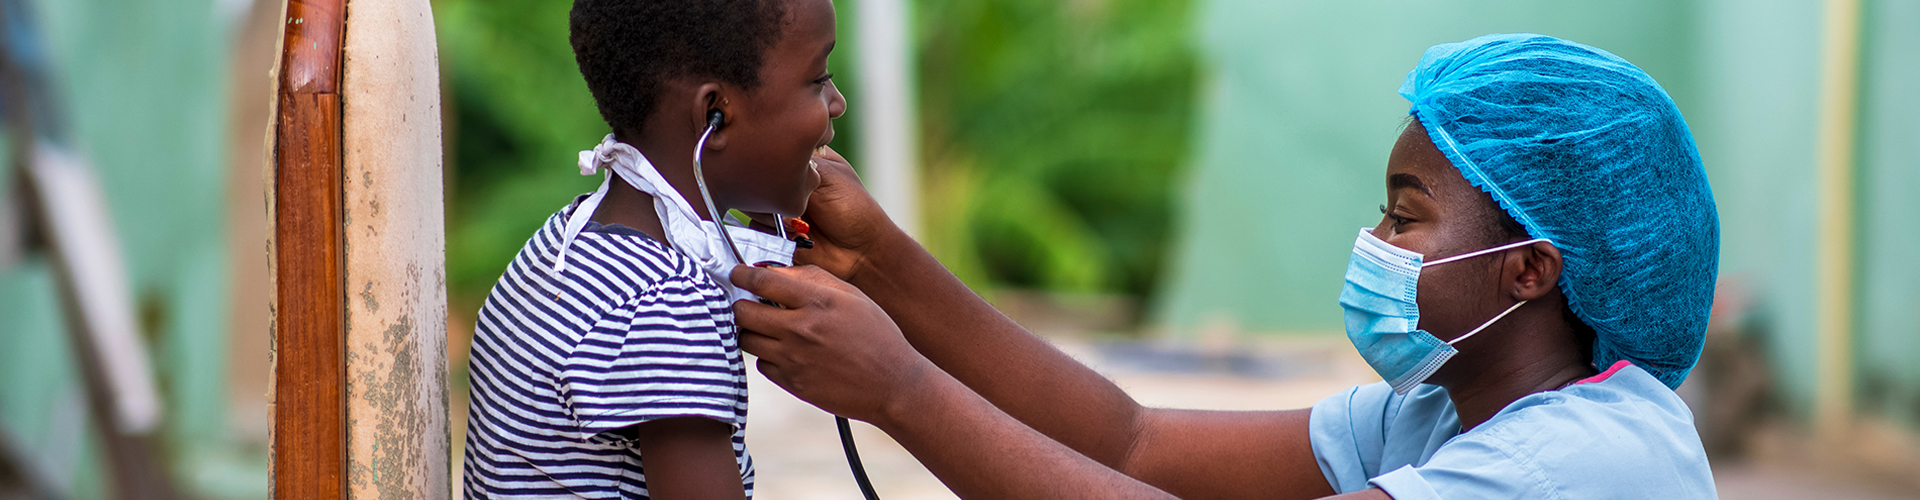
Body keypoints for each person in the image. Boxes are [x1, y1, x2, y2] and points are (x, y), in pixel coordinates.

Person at [731, 33, 1719, 499]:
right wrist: (886, 262)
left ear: (1529, 270)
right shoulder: (1438, 408)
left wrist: (902, 388)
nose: (1372, 242)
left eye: (1405, 217)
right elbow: (1133, 441)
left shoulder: (1576, 464)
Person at [459, 0, 846, 497]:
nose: (836, 103)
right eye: (818, 79)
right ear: (714, 113)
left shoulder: (565, 242)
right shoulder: (668, 303)